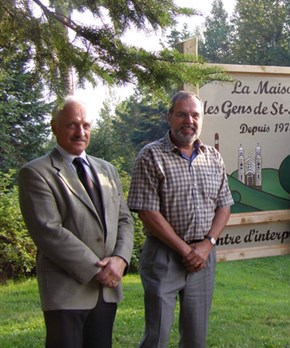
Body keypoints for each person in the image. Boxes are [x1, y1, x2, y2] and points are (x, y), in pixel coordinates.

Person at [18, 97, 134, 348]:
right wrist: (99, 270)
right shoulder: (36, 172)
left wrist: (121, 260)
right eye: (72, 125)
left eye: (86, 125)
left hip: (107, 293)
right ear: (54, 127)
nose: (80, 132)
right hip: (66, 293)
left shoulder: (108, 170)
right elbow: (48, 231)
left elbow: (124, 219)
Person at [127, 91, 234, 348]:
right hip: (164, 256)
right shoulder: (151, 155)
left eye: (195, 115)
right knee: (157, 335)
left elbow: (224, 205)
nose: (189, 120)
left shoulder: (213, 157)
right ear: (170, 118)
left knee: (196, 338)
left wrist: (207, 245)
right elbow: (147, 212)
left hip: (203, 257)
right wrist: (185, 250)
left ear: (202, 119)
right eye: (182, 114)